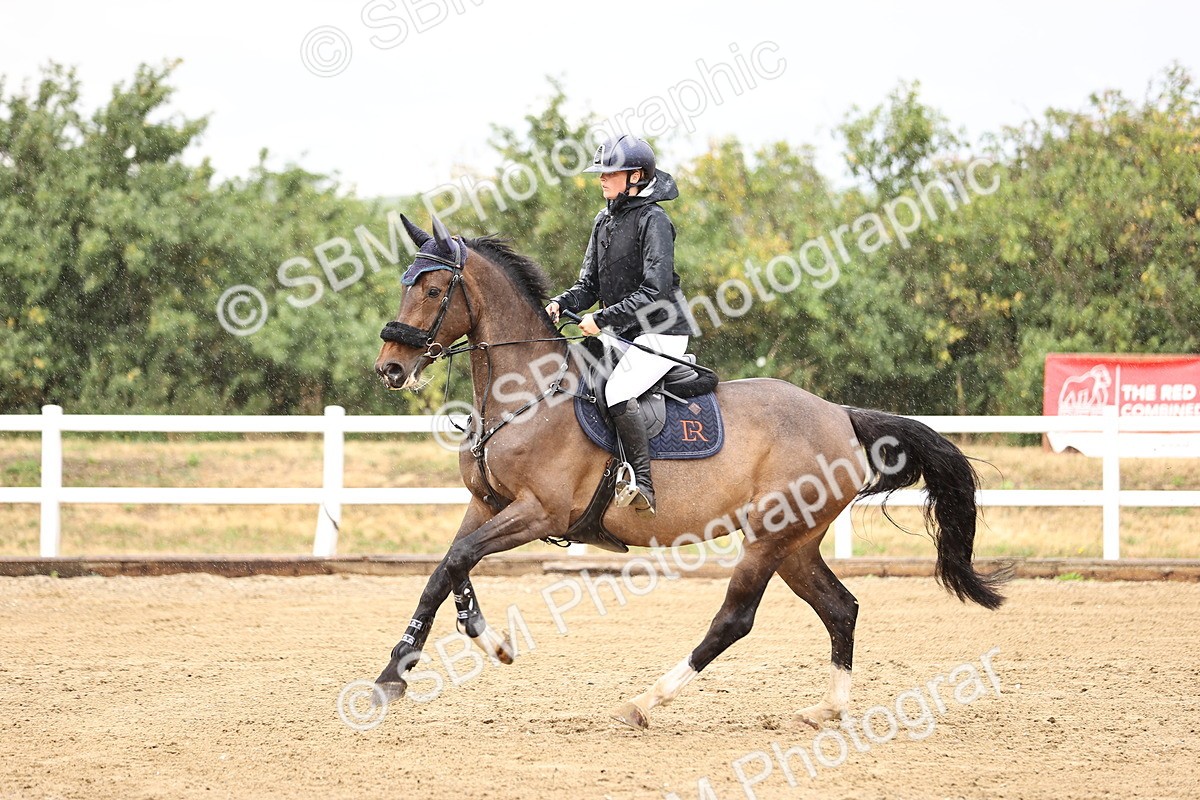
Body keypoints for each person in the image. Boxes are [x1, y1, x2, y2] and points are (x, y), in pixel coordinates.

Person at [545, 135, 693, 516]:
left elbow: (655, 291)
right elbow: (589, 286)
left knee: (617, 391)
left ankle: (643, 484)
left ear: (637, 176)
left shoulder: (654, 220)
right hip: (622, 333)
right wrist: (563, 303)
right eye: (601, 173)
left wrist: (603, 318)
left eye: (611, 172)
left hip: (661, 333)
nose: (602, 179)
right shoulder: (604, 219)